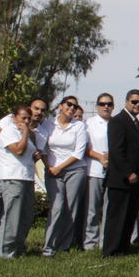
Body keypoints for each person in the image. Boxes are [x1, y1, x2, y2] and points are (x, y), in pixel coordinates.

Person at [0, 105, 37, 258]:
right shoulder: (9, 131)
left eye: (28, 119)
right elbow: (19, 150)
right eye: (23, 118)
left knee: (25, 216)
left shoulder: (27, 133)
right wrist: (26, 131)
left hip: (27, 177)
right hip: (13, 177)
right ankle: (6, 252)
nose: (26, 121)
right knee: (12, 217)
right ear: (14, 117)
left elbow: (30, 152)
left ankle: (17, 247)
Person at [38, 96, 88, 256]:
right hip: (52, 171)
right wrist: (50, 167)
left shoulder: (79, 126)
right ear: (60, 106)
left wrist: (60, 167)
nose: (72, 108)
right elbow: (42, 148)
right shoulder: (48, 124)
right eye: (69, 104)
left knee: (70, 208)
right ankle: (48, 246)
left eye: (75, 106)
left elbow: (79, 152)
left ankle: (63, 245)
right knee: (57, 206)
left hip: (75, 170)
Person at [103, 90, 139, 257]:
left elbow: (134, 149)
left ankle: (123, 247)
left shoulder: (134, 122)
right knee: (116, 216)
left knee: (129, 215)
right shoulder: (118, 121)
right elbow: (116, 150)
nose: (137, 105)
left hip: (135, 179)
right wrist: (128, 173)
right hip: (120, 179)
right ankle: (111, 250)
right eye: (134, 102)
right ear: (126, 101)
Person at [83, 93, 114, 251]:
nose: (106, 107)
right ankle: (90, 242)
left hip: (112, 172)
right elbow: (84, 147)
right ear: (97, 106)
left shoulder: (115, 123)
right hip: (94, 170)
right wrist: (100, 157)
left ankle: (104, 241)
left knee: (109, 209)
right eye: (102, 104)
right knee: (92, 209)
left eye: (109, 104)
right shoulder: (89, 123)